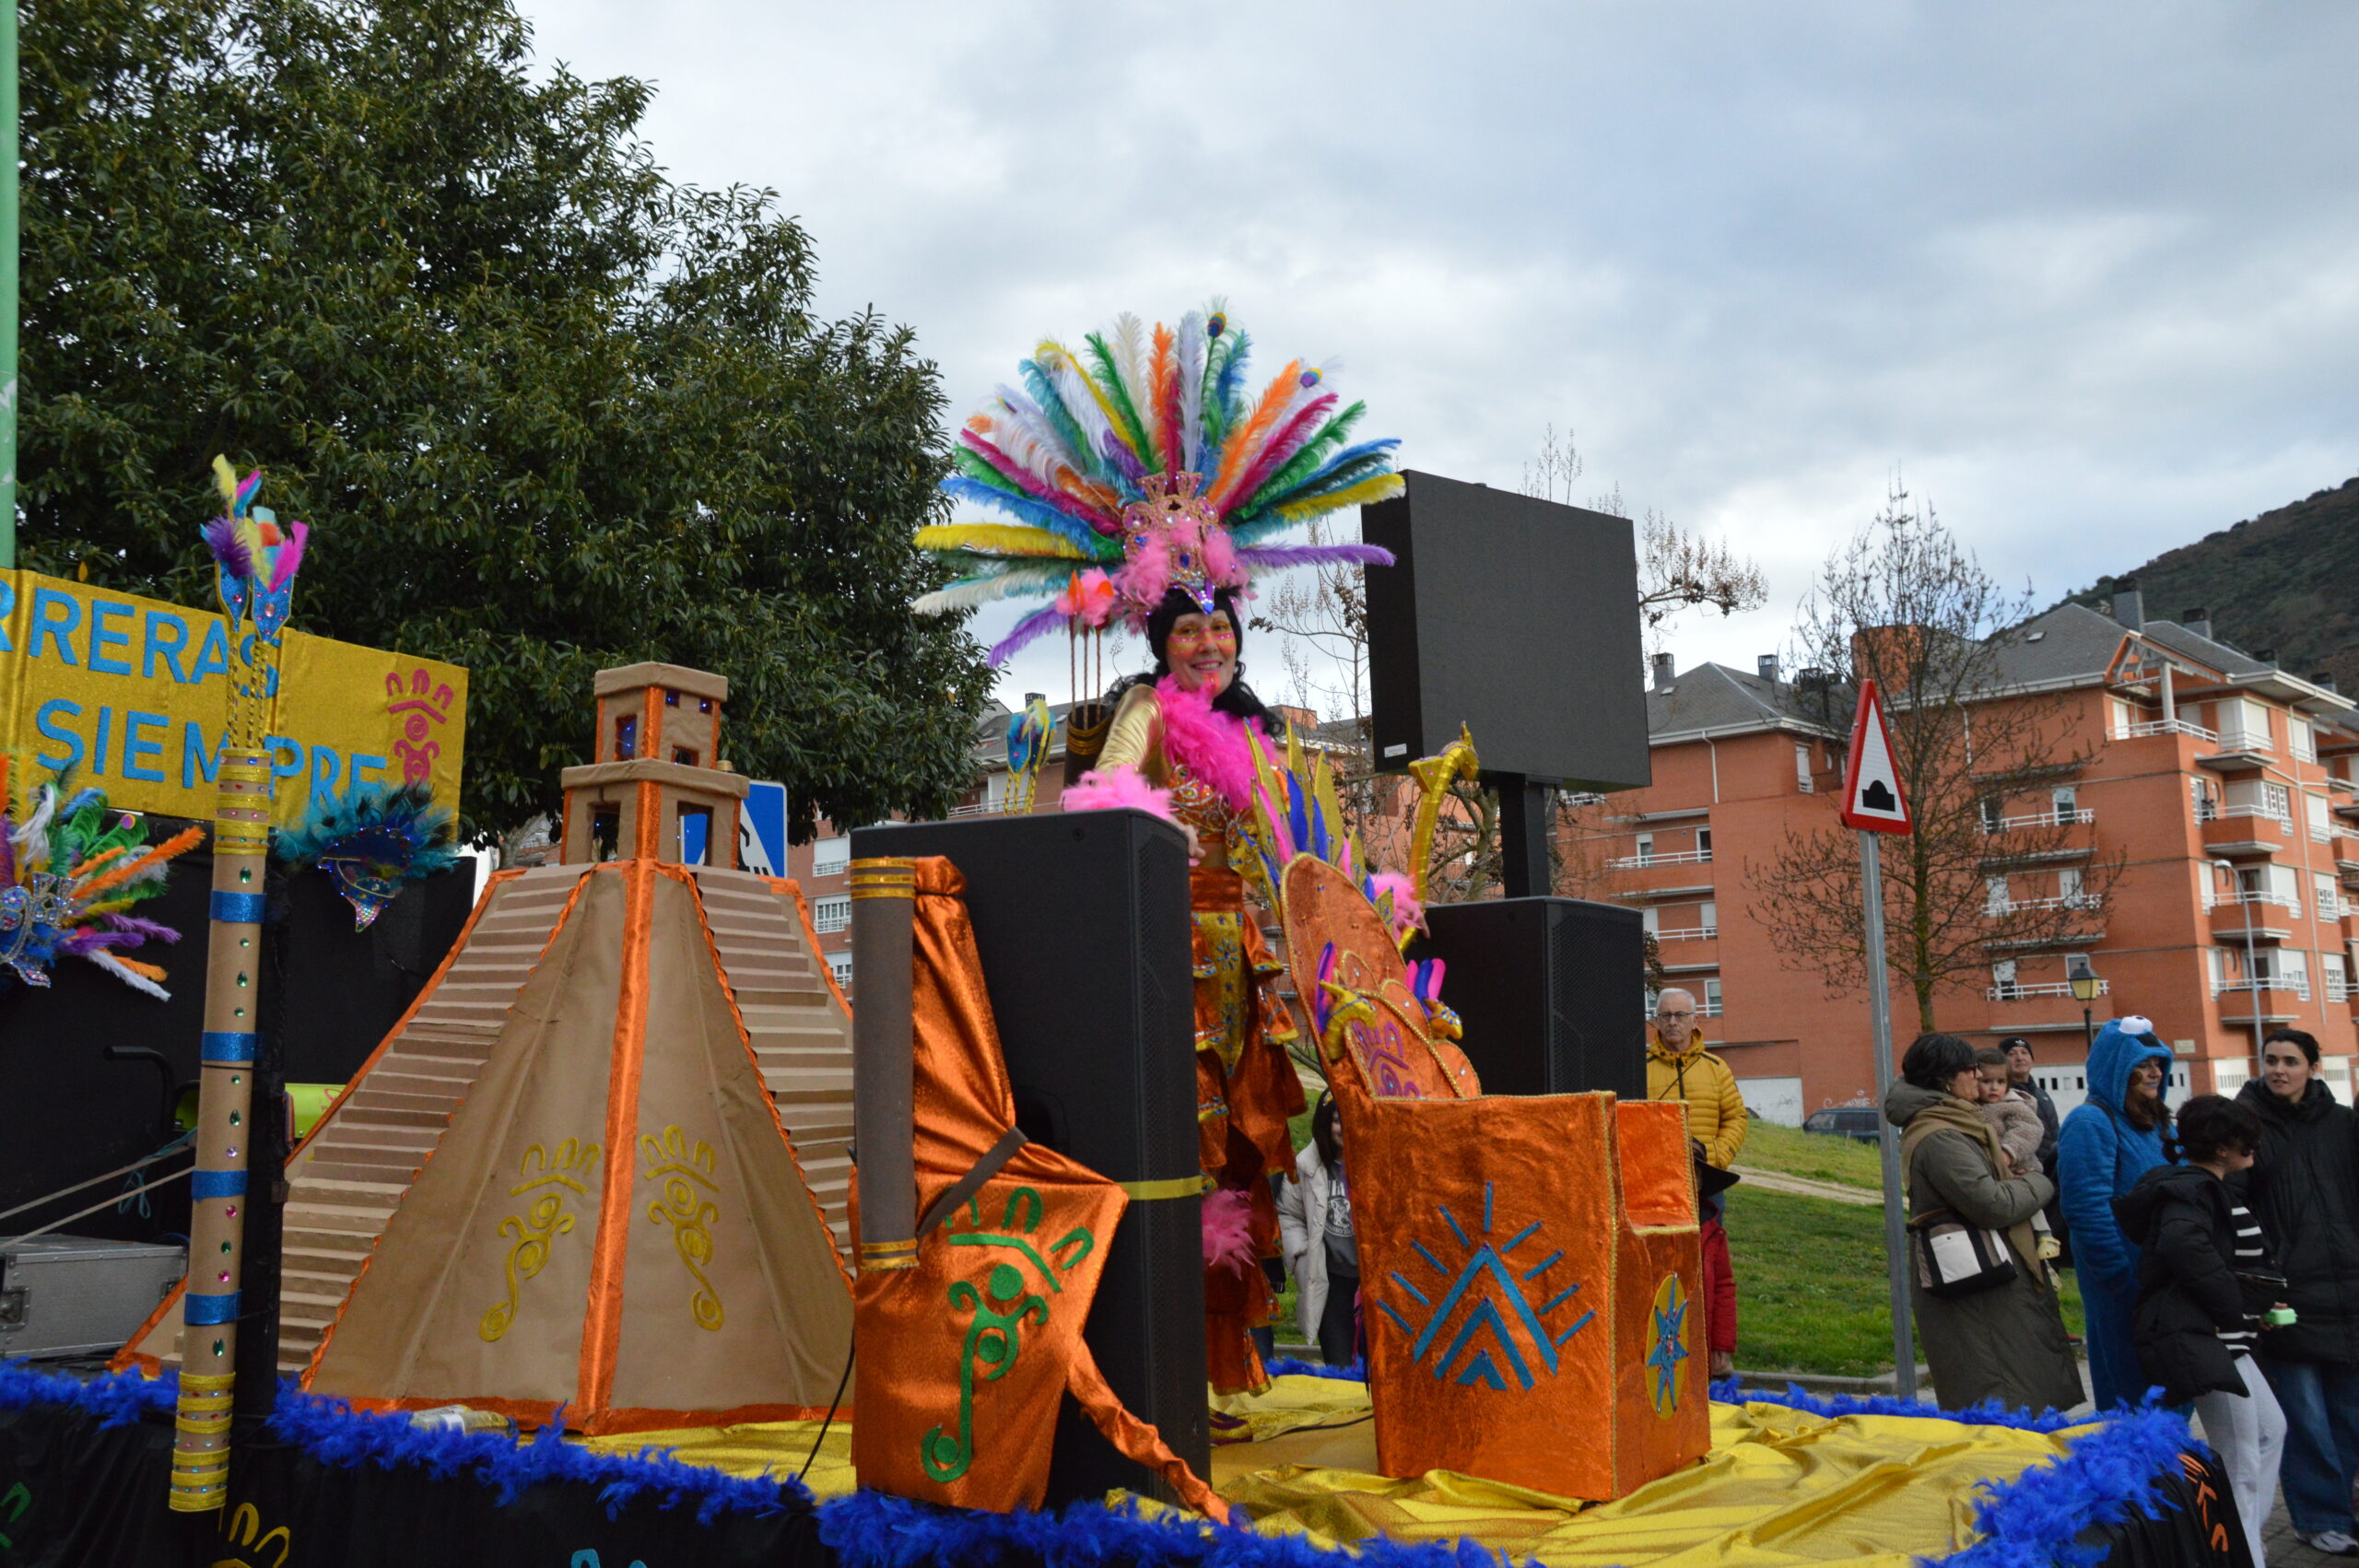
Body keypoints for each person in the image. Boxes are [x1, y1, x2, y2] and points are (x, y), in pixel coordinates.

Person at [907, 305, 1406, 1398]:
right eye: (1190, 631)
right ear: (1159, 639)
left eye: (1222, 632)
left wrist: (1371, 898)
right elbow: (1112, 800)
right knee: (1175, 1155)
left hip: (1249, 981)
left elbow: (1300, 844)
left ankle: (1233, 1363)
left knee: (1245, 1157)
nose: (1210, 646)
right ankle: (1162, 1359)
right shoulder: (1142, 711)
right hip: (1165, 963)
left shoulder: (1266, 731)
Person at [2113, 1094, 2288, 1567]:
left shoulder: (2202, 1188)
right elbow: (2181, 1244)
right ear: (2225, 1147)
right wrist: (2231, 1307)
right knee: (2239, 1458)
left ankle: (2246, 1538)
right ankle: (2240, 1552)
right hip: (2209, 1341)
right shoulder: (2194, 1190)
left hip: (2226, 1340)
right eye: (2246, 1139)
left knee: (2271, 1431)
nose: (2255, 1146)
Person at [1884, 1032, 2083, 1413]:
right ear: (1946, 1079)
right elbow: (1992, 1204)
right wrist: (2040, 1181)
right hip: (1978, 1285)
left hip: (1991, 1278)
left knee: (2020, 1391)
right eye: (1969, 1069)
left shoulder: (1958, 1121)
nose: (1977, 1076)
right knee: (2003, 1398)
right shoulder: (1941, 1136)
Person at [2236, 1028, 2359, 1557]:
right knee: (2305, 1419)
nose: (2279, 1069)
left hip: (2349, 1292)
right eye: (2270, 1060)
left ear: (2313, 1065)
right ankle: (2317, 1517)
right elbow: (2233, 1208)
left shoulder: (2343, 1125)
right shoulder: (2244, 1127)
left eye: (2290, 1060)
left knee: (2350, 1414)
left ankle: (2343, 1511)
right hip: (2286, 1296)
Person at [2058, 1015, 2177, 1410]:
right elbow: (2087, 1209)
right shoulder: (2090, 1122)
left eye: (2158, 1063)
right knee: (2131, 1397)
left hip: (2166, 1281)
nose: (2154, 1072)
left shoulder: (2160, 1122)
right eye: (2142, 1064)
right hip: (2124, 1286)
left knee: (2171, 1392)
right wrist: (2119, 1278)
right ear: (2117, 1068)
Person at [1278, 1094, 1362, 1368]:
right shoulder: (1305, 1166)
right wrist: (1302, 1257)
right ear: (1326, 1124)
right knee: (1339, 1361)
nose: (1344, 1128)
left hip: (1370, 1282)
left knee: (1377, 1362)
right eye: (1338, 1121)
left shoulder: (1377, 1164)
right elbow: (1289, 1215)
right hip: (1331, 1280)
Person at [1648, 989, 1750, 1170]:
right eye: (1666, 1015)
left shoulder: (1716, 1068)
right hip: (1657, 1177)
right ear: (1657, 1021)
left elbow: (1736, 1118)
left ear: (1694, 1020)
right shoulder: (1641, 1069)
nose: (1672, 1022)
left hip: (1707, 1175)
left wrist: (1718, 1156)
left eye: (1680, 1015)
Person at [1976, 1048, 2060, 1270]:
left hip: (2020, 1164)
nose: (1994, 1087)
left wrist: (2008, 1152)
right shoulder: (1974, 1107)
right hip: (1996, 1174)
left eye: (2000, 1081)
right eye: (1986, 1081)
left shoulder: (2014, 1105)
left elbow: (2029, 1129)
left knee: (2031, 1207)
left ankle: (2045, 1237)